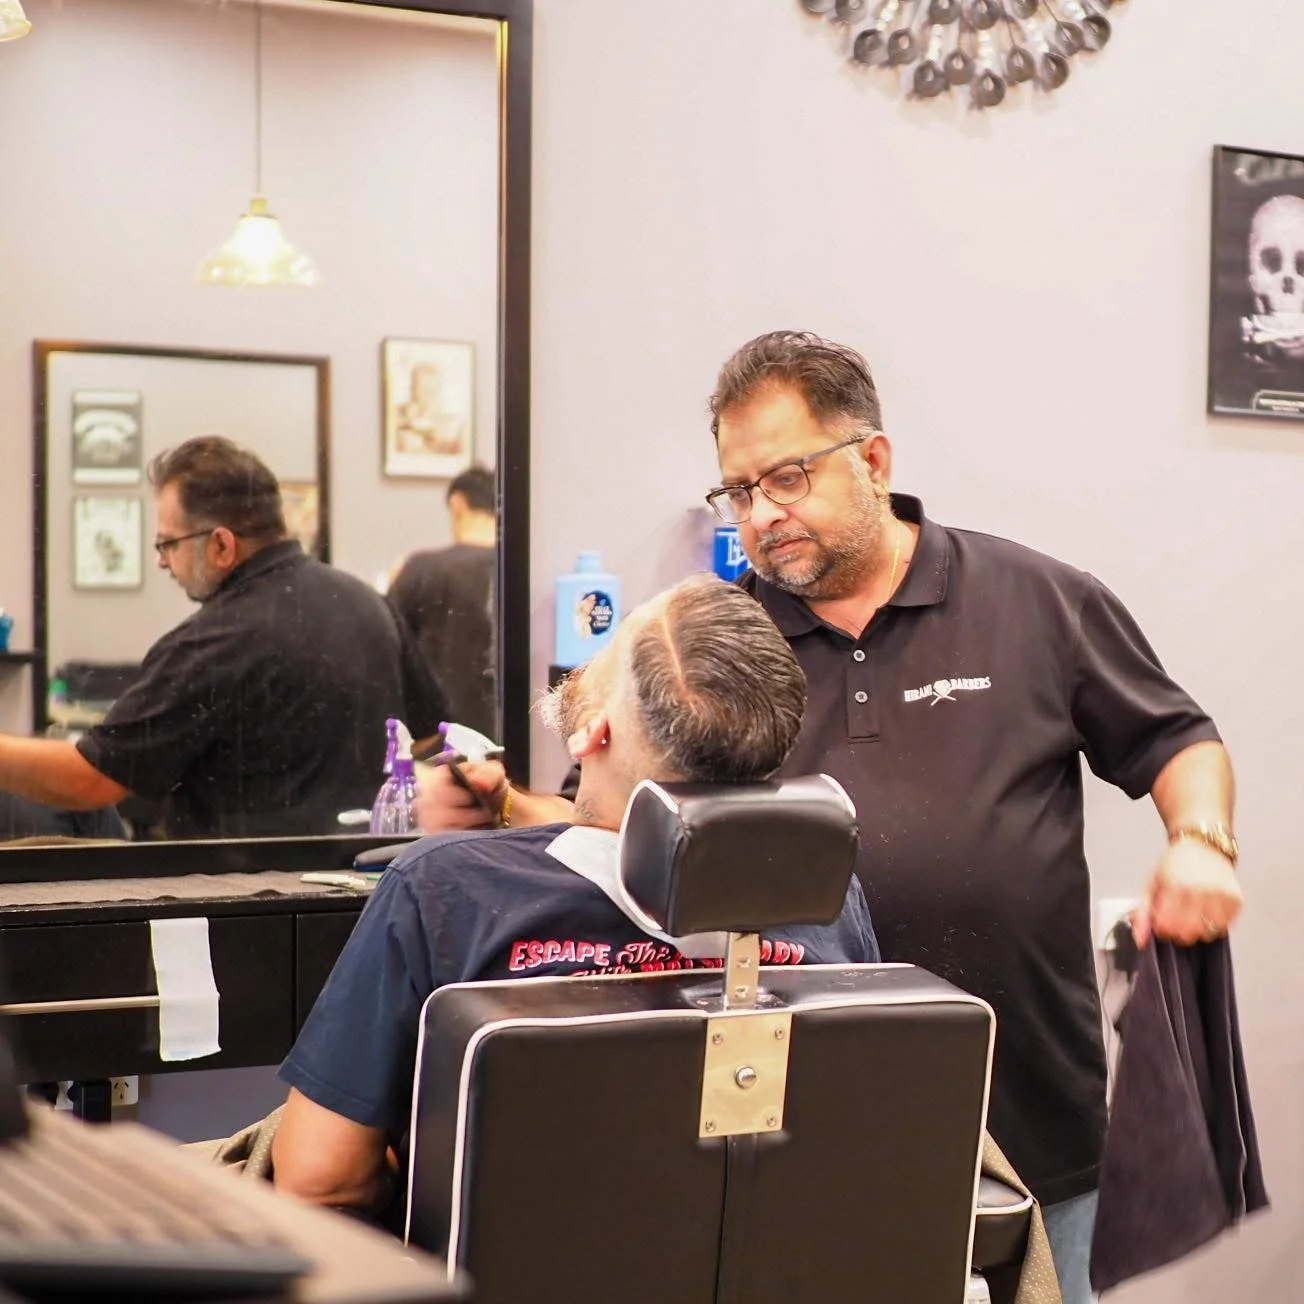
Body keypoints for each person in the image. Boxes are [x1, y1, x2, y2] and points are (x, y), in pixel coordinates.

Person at [417, 332, 1245, 1304]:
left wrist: (1197, 840)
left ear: (874, 462)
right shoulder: (720, 643)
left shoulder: (1035, 600)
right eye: (737, 490)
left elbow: (1177, 740)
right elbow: (617, 826)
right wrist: (495, 808)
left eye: (787, 477)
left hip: (1030, 1117)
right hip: (799, 1128)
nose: (762, 514)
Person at [271, 573, 878, 1216]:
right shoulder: (825, 899)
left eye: (609, 652)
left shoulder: (441, 890)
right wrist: (509, 808)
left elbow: (320, 1180)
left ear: (592, 731)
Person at [0, 436, 447, 839]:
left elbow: (90, 781)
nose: (161, 562)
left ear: (221, 545)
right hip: (367, 886)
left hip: (251, 903)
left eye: (167, 543)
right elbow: (428, 738)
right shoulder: (368, 603)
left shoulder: (213, 643)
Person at [388, 465, 497, 740]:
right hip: (506, 741)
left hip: (437, 741)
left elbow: (387, 649)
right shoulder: (520, 572)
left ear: (457, 503)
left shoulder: (421, 569)